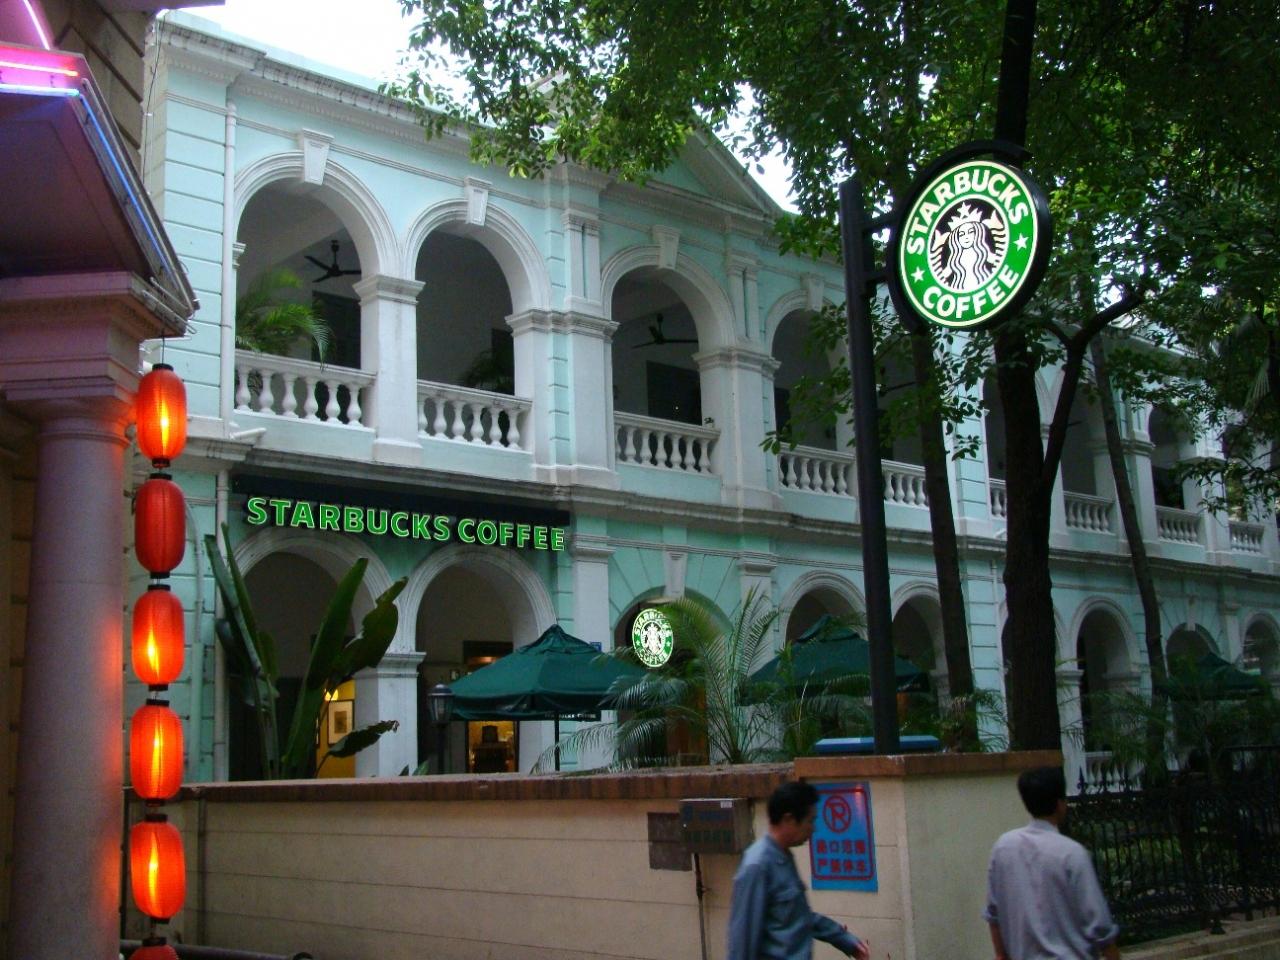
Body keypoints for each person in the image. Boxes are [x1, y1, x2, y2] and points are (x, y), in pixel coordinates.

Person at [985, 766, 1120, 960]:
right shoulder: (1072, 853)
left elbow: (993, 914)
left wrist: (1000, 955)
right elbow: (1099, 925)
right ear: (1060, 804)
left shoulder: (1003, 847)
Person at [727, 781, 870, 960]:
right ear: (788, 819)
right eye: (810, 821)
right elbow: (742, 942)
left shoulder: (784, 856)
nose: (813, 829)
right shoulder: (757, 866)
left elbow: (801, 918)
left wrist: (845, 940)